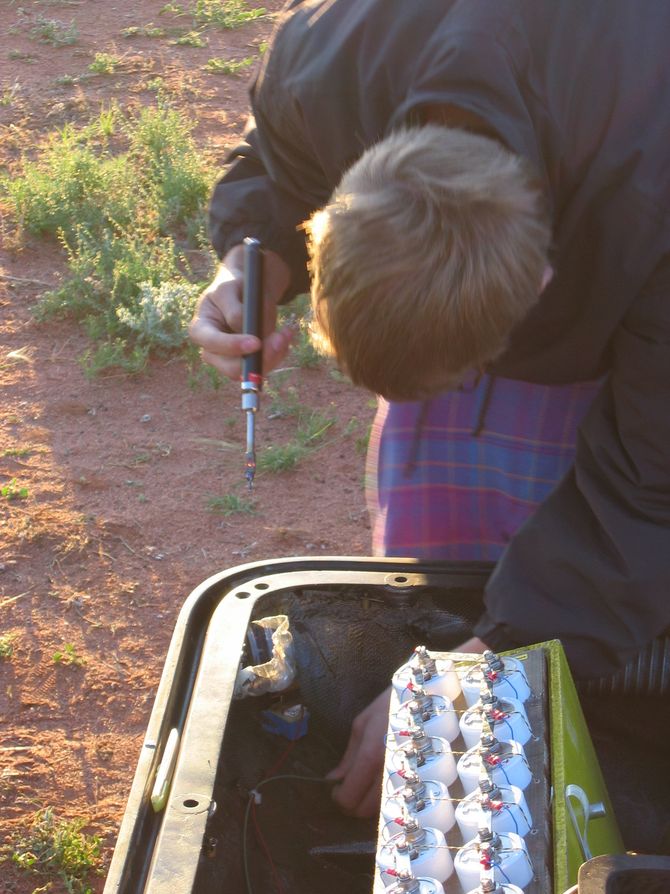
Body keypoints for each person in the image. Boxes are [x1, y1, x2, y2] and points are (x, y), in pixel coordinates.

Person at [189, 0, 670, 817]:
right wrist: (254, 261)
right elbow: (277, 164)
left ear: (541, 294)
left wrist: (491, 665)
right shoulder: (327, 59)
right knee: (444, 578)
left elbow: (648, 484)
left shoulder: (648, 187)